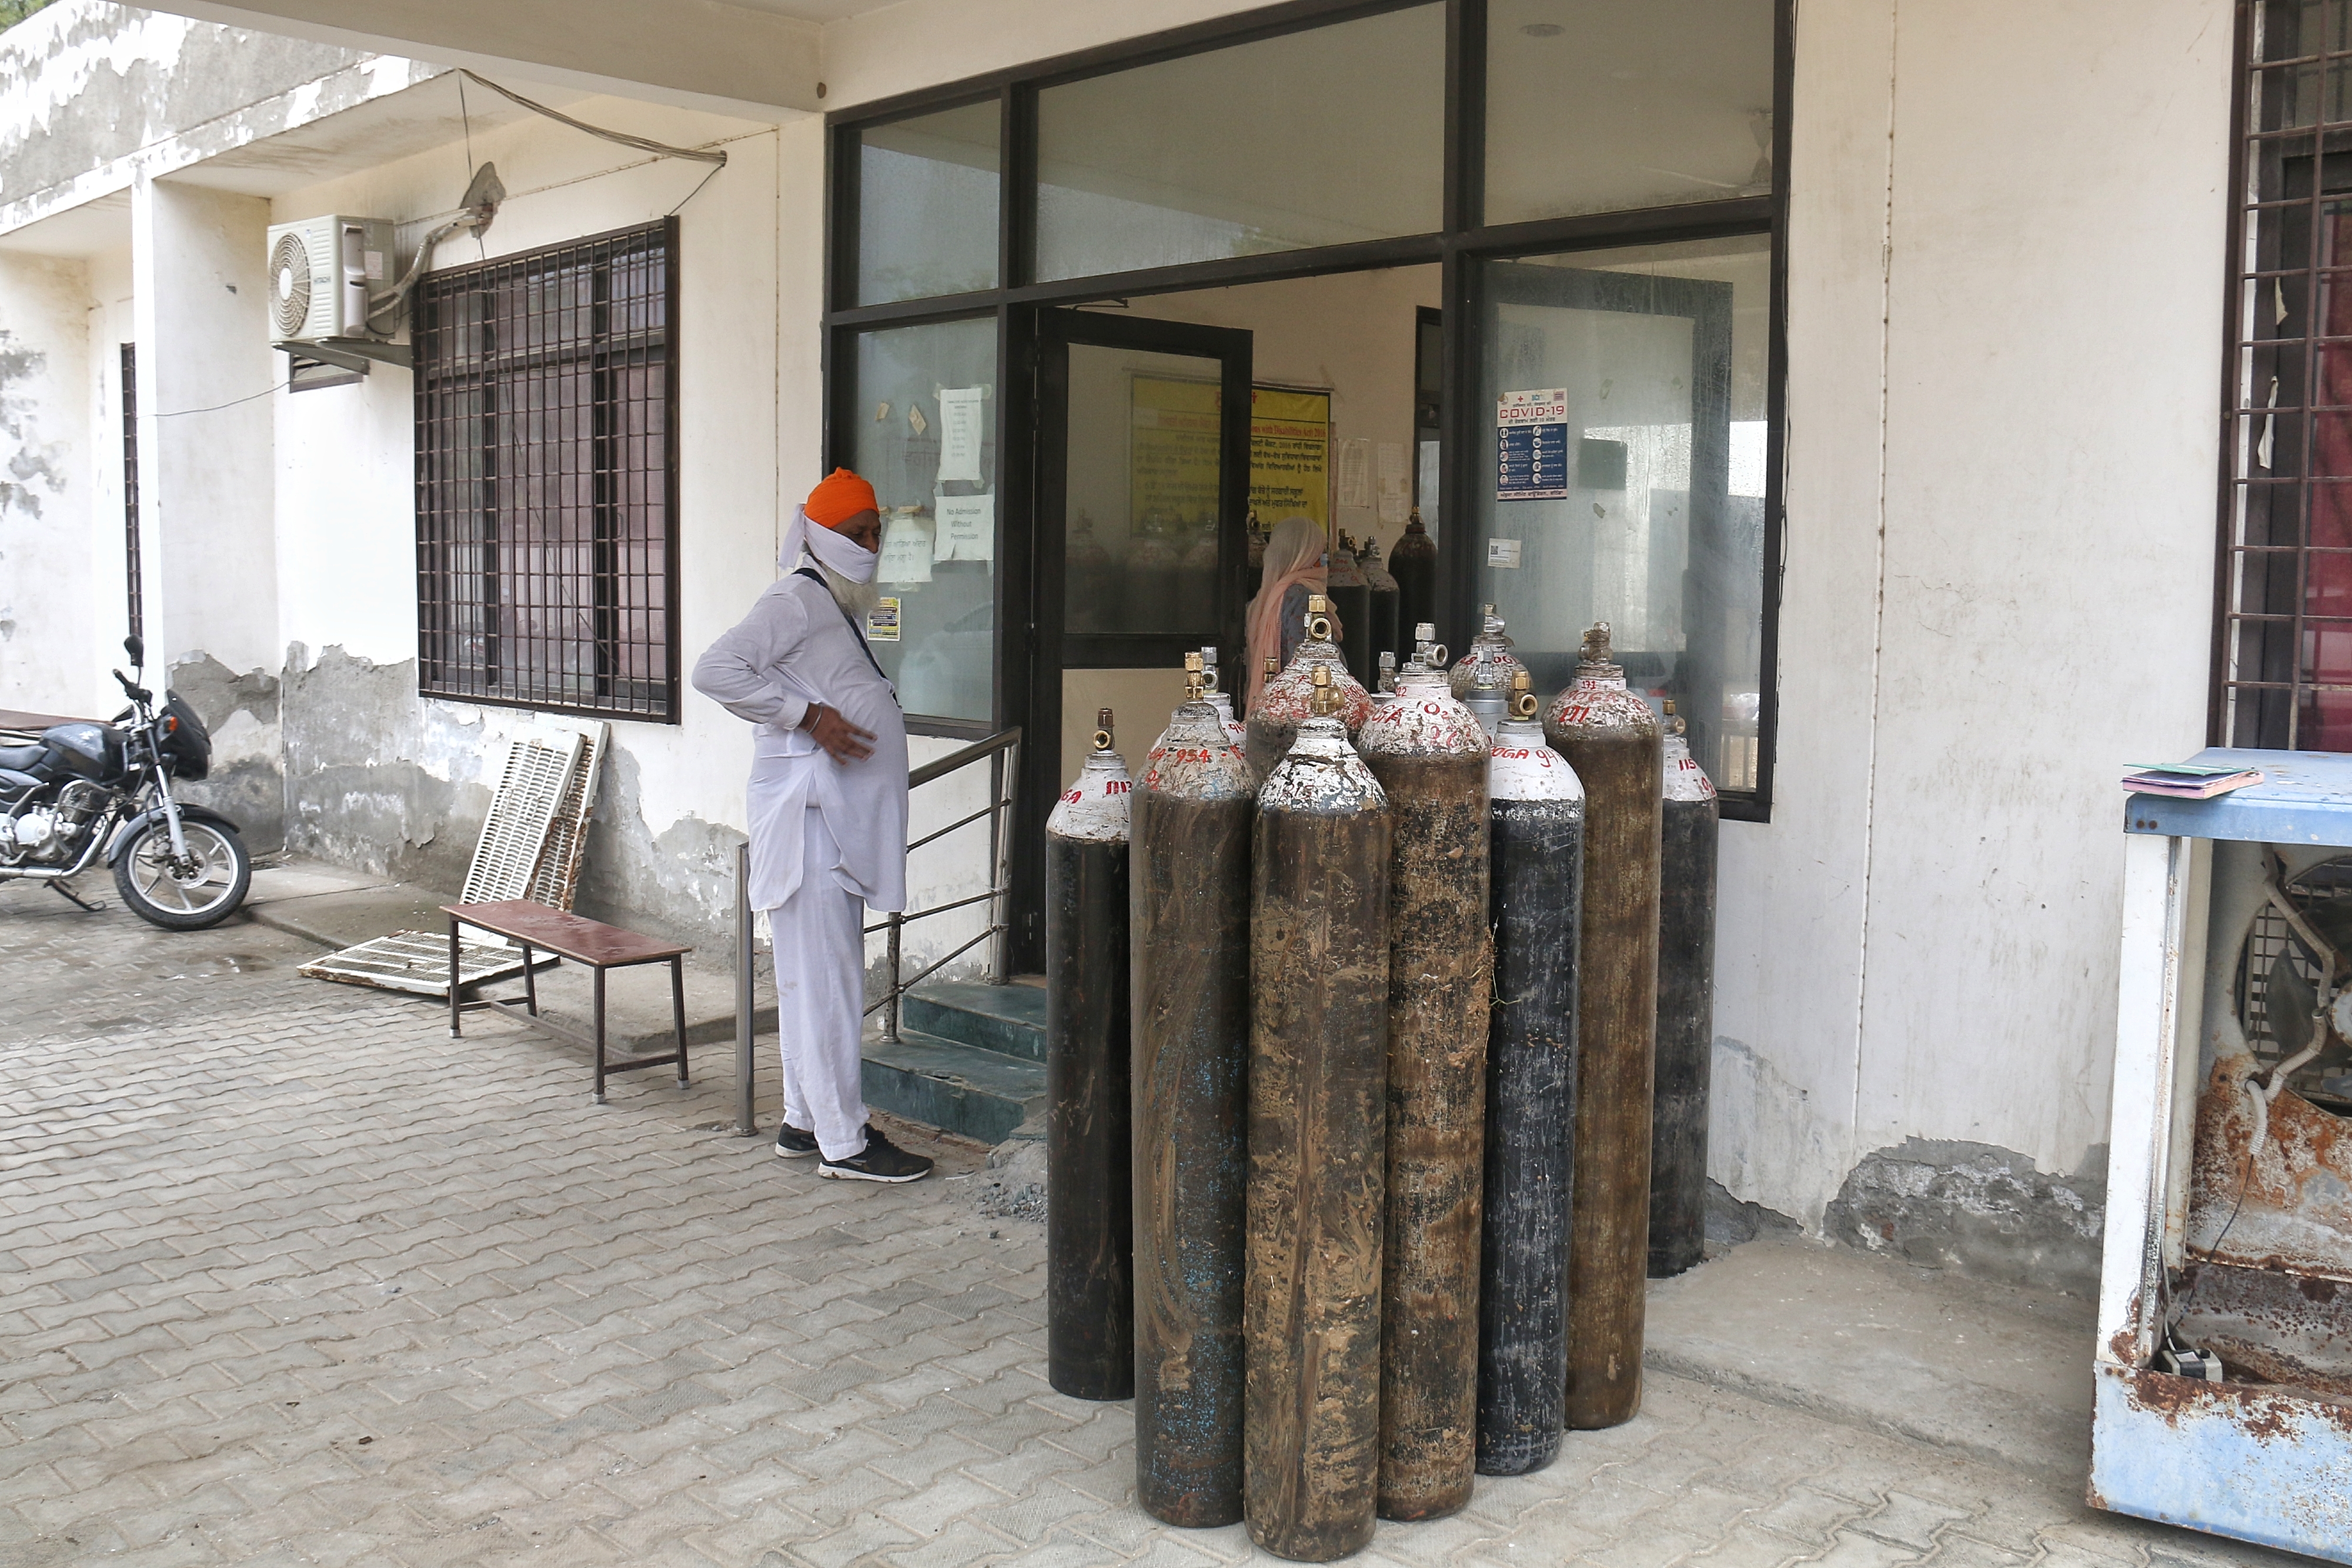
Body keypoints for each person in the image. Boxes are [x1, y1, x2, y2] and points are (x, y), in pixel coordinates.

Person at [691, 469, 933, 1183]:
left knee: (811, 983)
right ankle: (845, 1143)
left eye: (876, 533)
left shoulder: (831, 603)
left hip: (830, 824)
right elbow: (714, 670)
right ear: (822, 536)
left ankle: (805, 1122)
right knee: (828, 986)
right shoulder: (795, 599)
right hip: (811, 825)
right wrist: (809, 717)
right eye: (857, 533)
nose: (870, 546)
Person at [1244, 514, 1337, 710]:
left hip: (1272, 704)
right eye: (1319, 553)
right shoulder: (1301, 598)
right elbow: (1309, 663)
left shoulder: (1263, 599)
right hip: (1302, 707)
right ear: (1304, 555)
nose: (1323, 561)